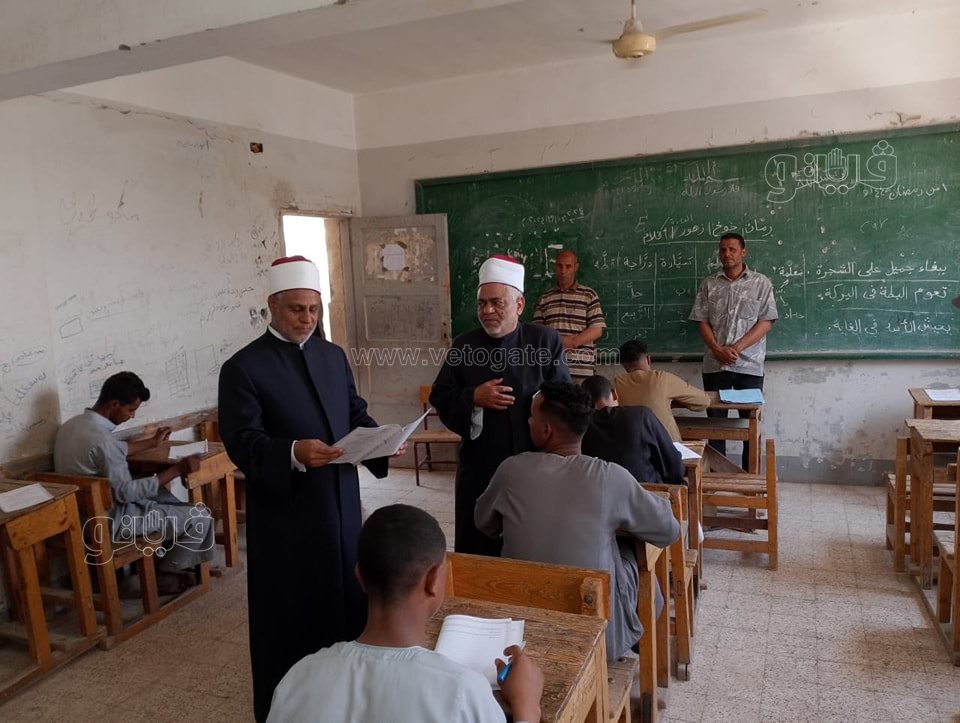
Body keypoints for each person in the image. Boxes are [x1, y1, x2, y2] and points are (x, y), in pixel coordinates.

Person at [218, 256, 398, 722]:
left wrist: (382, 441)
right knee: (293, 618)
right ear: (273, 305)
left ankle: (349, 704)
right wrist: (293, 452)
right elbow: (241, 442)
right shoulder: (243, 368)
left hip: (341, 507)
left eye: (314, 310)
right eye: (297, 309)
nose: (307, 319)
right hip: (288, 519)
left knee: (347, 603)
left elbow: (354, 413)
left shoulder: (332, 356)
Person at [268, 505, 544, 723]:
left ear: (359, 576)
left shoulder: (299, 677)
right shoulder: (463, 691)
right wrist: (527, 704)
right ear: (433, 580)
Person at [475, 381, 680, 659]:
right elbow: (668, 531)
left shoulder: (511, 469)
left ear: (546, 430)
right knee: (631, 556)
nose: (529, 421)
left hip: (520, 632)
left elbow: (484, 523)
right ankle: (636, 640)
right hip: (593, 636)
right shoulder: (610, 477)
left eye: (532, 417)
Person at [431, 255, 570, 556]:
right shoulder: (464, 346)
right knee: (479, 546)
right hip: (480, 467)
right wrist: (473, 397)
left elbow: (564, 399)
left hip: (536, 467)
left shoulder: (545, 342)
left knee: (531, 547)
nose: (487, 310)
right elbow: (441, 395)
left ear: (519, 305)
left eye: (497, 303)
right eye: (482, 304)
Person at [54, 371, 213, 591]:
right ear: (114, 404)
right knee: (201, 517)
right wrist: (177, 470)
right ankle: (164, 572)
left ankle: (162, 552)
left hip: (77, 516)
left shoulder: (72, 426)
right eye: (130, 410)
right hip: (108, 521)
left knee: (166, 499)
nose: (132, 416)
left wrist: (152, 443)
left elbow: (110, 451)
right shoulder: (104, 441)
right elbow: (126, 492)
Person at [689, 233, 778, 468]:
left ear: (743, 252)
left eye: (732, 249)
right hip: (715, 365)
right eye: (723, 250)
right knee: (716, 425)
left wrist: (736, 348)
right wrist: (717, 349)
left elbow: (766, 322)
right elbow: (701, 320)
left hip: (749, 366)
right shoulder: (709, 284)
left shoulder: (761, 283)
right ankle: (718, 474)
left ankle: (749, 476)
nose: (726, 254)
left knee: (750, 424)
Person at [581, 375, 685, 485]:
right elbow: (673, 466)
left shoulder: (580, 426)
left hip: (597, 492)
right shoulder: (641, 415)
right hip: (645, 492)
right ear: (614, 393)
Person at [613, 339, 711, 442]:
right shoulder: (662, 378)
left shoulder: (615, 384)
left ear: (624, 365)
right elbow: (704, 401)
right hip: (665, 446)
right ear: (648, 359)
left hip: (632, 446)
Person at [532, 250, 605, 382]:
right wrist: (559, 341)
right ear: (555, 267)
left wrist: (571, 342)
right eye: (560, 266)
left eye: (568, 266)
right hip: (551, 369)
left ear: (576, 267)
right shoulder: (545, 298)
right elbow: (537, 332)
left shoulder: (588, 295)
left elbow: (596, 330)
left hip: (581, 370)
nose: (563, 271)